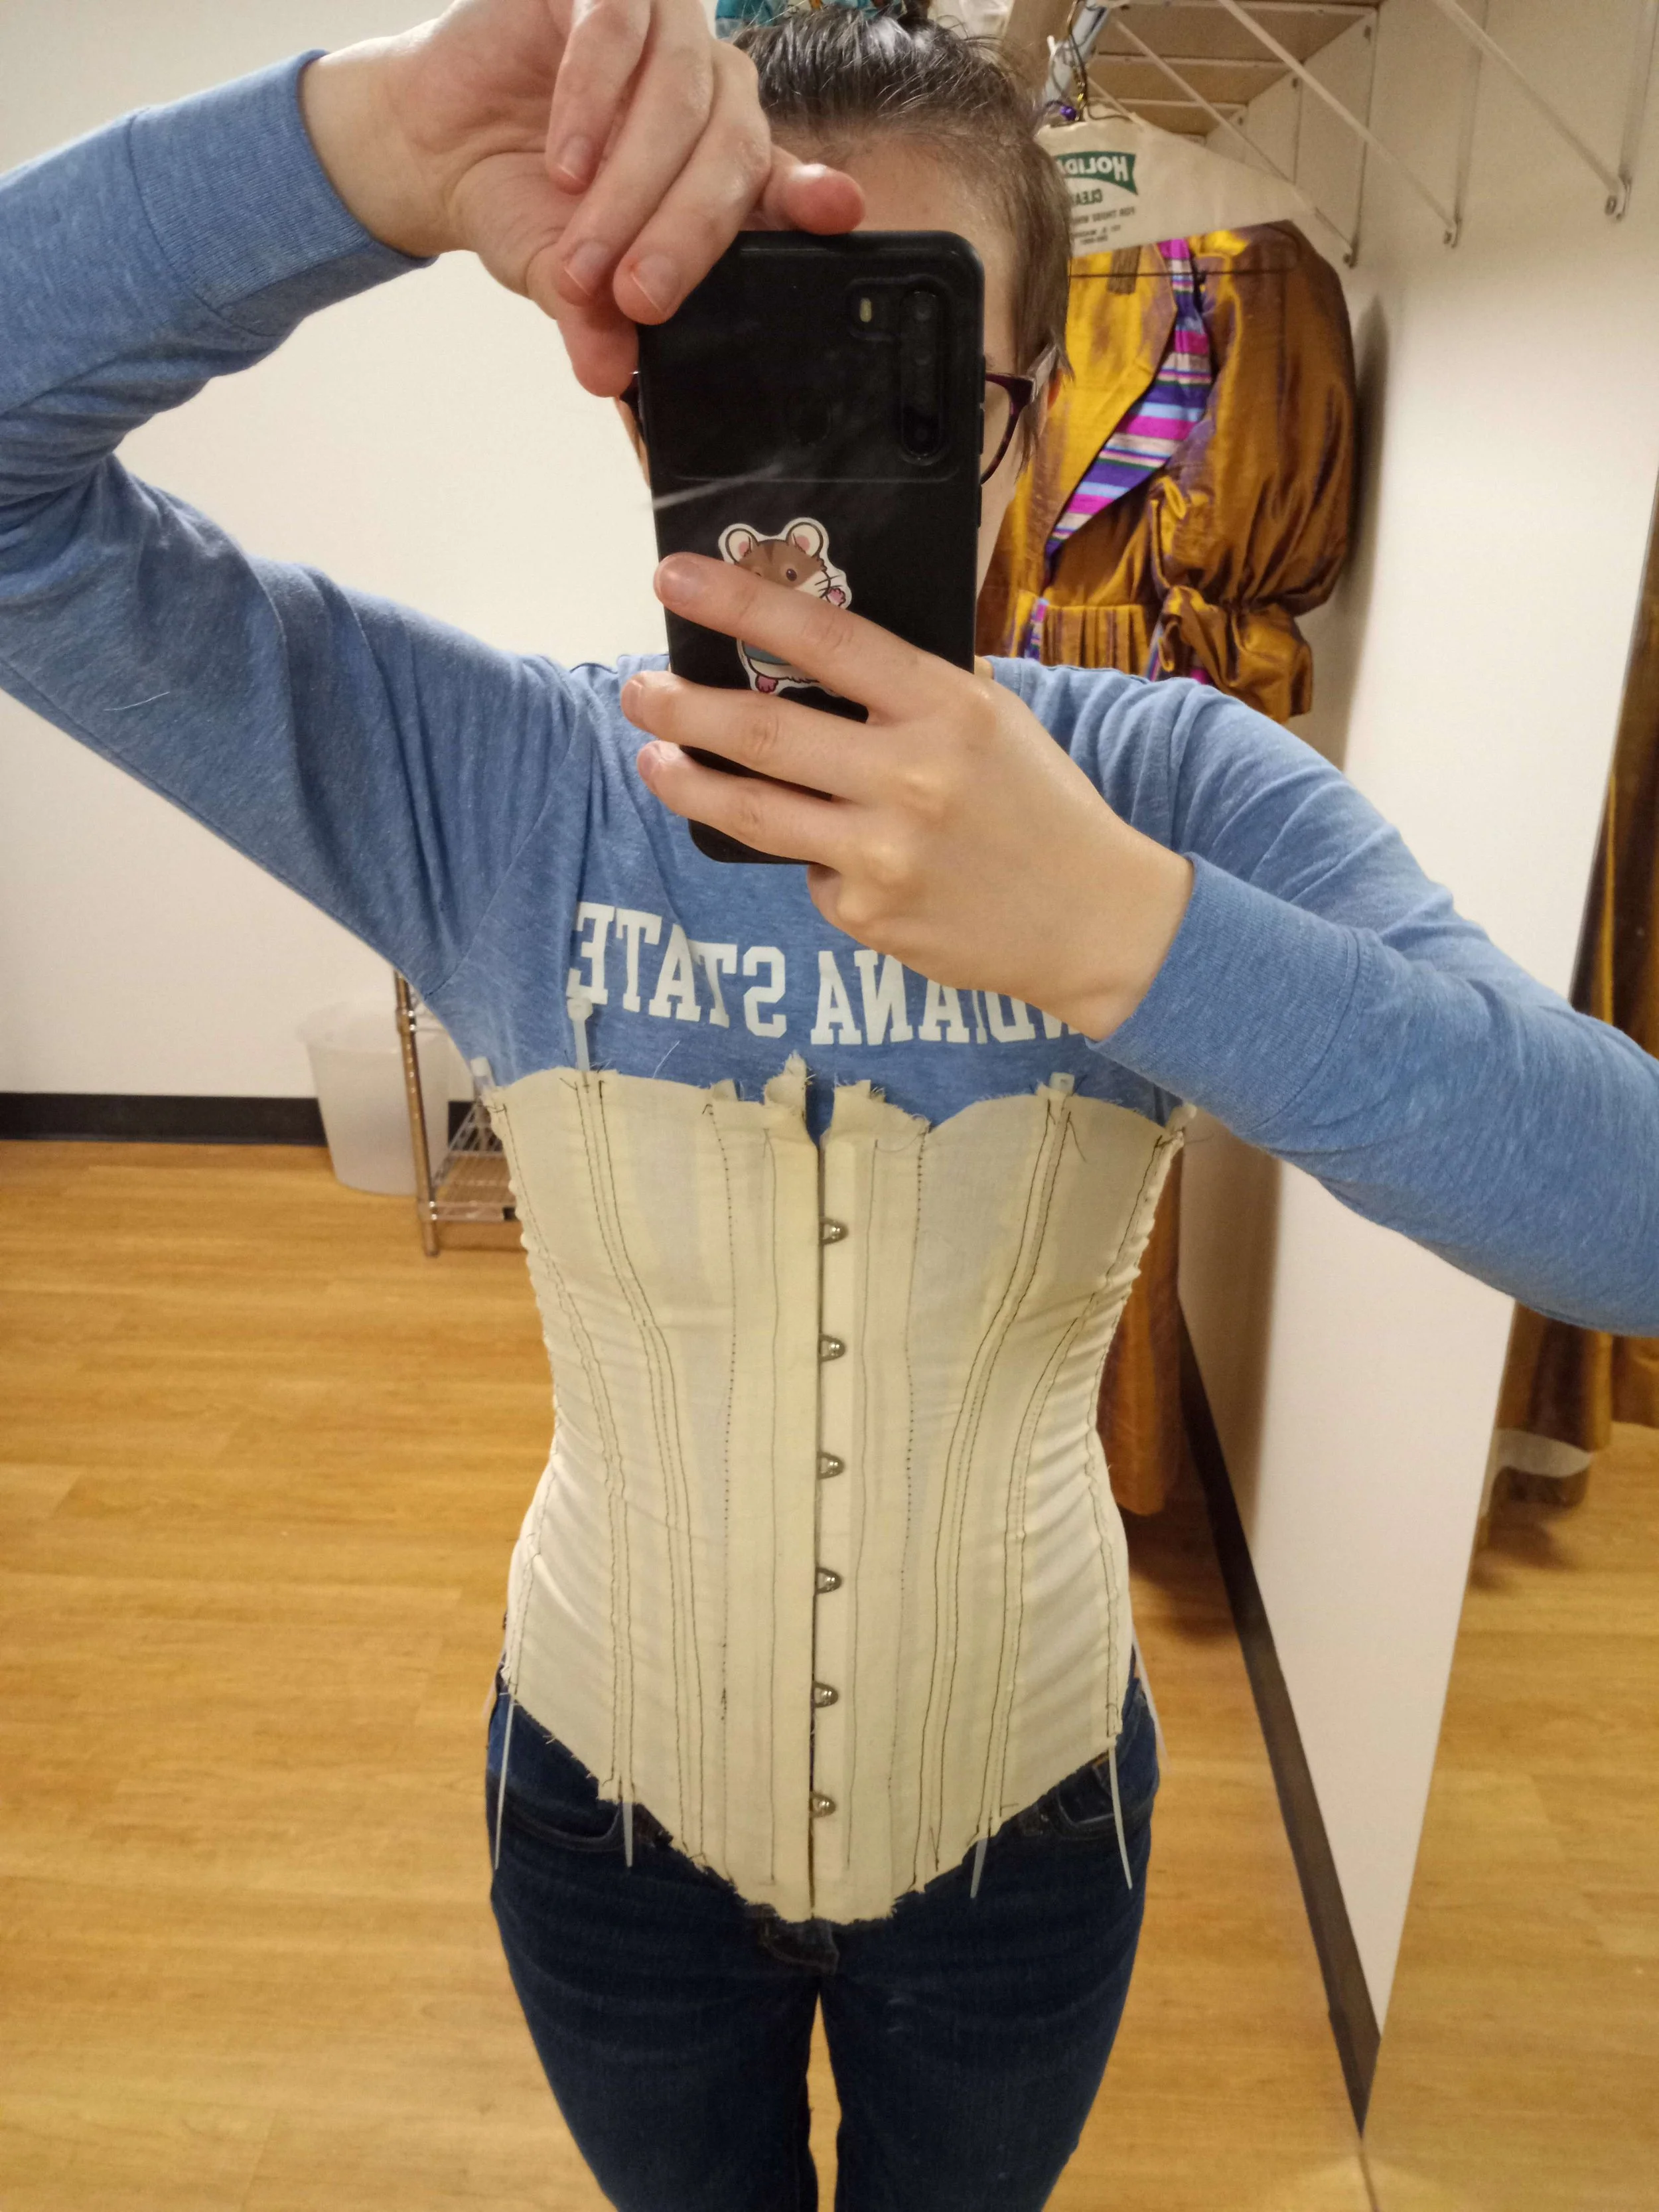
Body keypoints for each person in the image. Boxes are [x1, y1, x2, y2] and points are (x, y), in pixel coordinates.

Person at [2, 3, 1656, 2206]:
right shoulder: (496, 782)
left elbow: (1625, 1214)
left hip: (1025, 1844)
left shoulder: (1164, 791)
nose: (803, 476)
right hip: (597, 1826)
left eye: (907, 377)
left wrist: (1121, 932)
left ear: (1027, 426)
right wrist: (369, 149)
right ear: (639, 396)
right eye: (734, 360)